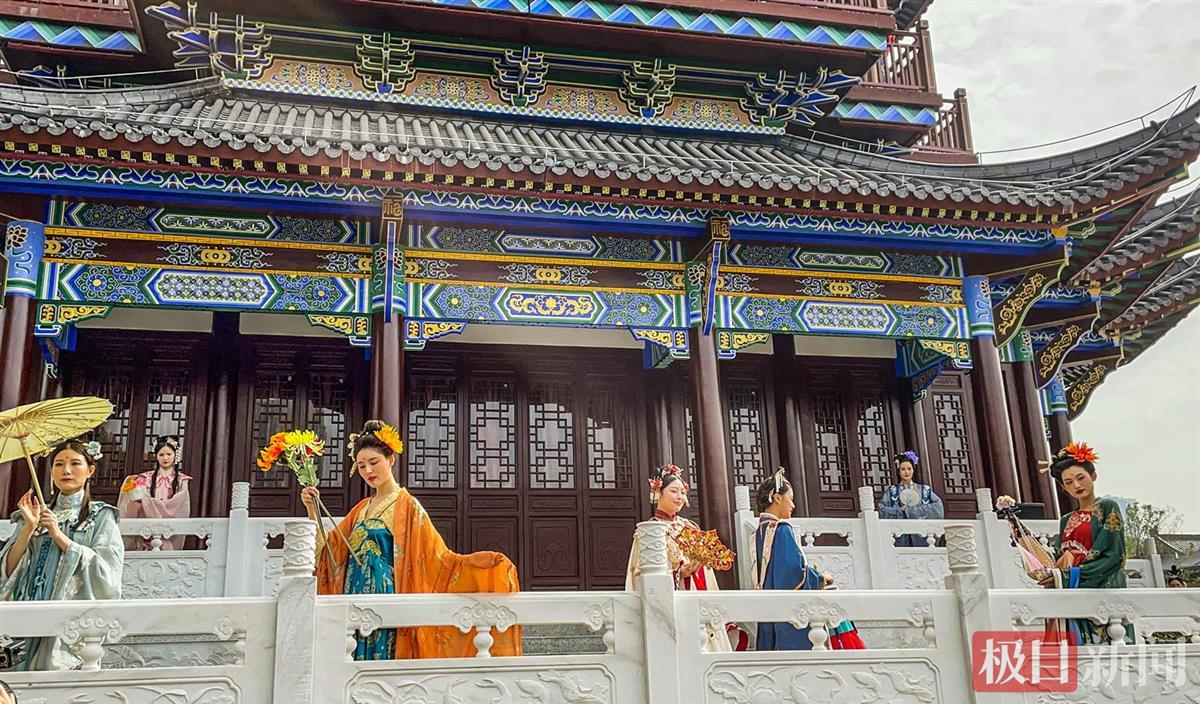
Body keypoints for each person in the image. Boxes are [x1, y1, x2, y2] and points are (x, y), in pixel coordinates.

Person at [301, 420, 521, 660]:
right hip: (353, 595)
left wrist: (482, 565)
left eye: (374, 462)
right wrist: (313, 509)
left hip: (387, 598)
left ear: (390, 460)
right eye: (361, 466)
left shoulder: (408, 507)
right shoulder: (361, 509)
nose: (368, 471)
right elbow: (330, 551)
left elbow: (437, 558)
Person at [0, 440, 123, 670]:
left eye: (75, 463)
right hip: (27, 606)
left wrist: (58, 535)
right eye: (58, 464)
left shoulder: (101, 516)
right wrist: (28, 528)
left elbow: (107, 570)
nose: (66, 470)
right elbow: (7, 569)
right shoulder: (35, 513)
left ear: (90, 470)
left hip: (66, 614)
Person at [626, 464, 741, 652]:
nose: (679, 496)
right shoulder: (649, 531)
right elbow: (638, 575)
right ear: (658, 492)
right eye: (673, 491)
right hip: (672, 602)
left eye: (682, 492)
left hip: (697, 596)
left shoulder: (690, 527)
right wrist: (678, 573)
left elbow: (707, 573)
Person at [754, 470, 866, 650]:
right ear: (777, 498)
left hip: (770, 610)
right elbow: (793, 574)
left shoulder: (759, 532)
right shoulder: (782, 529)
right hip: (789, 614)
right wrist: (821, 578)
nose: (793, 505)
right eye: (790, 498)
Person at [1042, 442, 1131, 644]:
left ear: (1093, 475)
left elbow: (1114, 555)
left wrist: (1070, 575)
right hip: (1072, 590)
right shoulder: (1066, 520)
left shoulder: (1107, 507)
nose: (1076, 485)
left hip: (1101, 585)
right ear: (1064, 488)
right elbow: (1060, 555)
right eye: (1069, 482)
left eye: (1080, 477)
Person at [118, 435, 192, 550]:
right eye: (161, 455)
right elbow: (135, 503)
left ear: (176, 455)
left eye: (169, 454)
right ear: (156, 456)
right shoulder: (144, 478)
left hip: (170, 526)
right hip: (147, 525)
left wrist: (151, 503)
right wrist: (137, 500)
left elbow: (180, 506)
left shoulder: (182, 480)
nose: (165, 458)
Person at [877, 451, 944, 547]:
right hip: (899, 535)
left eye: (909, 469)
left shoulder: (924, 490)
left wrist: (913, 511)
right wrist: (899, 511)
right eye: (903, 469)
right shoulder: (892, 491)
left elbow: (938, 507)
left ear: (913, 470)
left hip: (920, 534)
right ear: (899, 471)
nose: (906, 472)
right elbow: (881, 509)